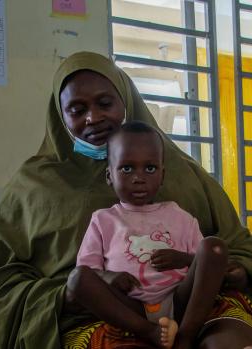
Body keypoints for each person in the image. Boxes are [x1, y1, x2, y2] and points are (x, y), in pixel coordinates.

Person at [0, 51, 252, 349]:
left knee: (226, 339)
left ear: (125, 101)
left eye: (104, 103)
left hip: (198, 303)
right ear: (59, 114)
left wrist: (235, 271)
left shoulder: (182, 171)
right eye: (77, 110)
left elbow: (235, 246)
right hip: (97, 316)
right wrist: (64, 295)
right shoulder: (35, 185)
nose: (93, 118)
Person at [69, 121, 234, 349]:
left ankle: (184, 338)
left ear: (162, 174)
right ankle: (151, 332)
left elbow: (207, 266)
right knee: (77, 279)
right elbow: (87, 269)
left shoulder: (180, 217)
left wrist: (182, 258)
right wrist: (109, 278)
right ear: (109, 175)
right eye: (127, 168)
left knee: (214, 247)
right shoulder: (103, 220)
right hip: (129, 307)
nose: (139, 177)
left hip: (180, 300)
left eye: (150, 169)